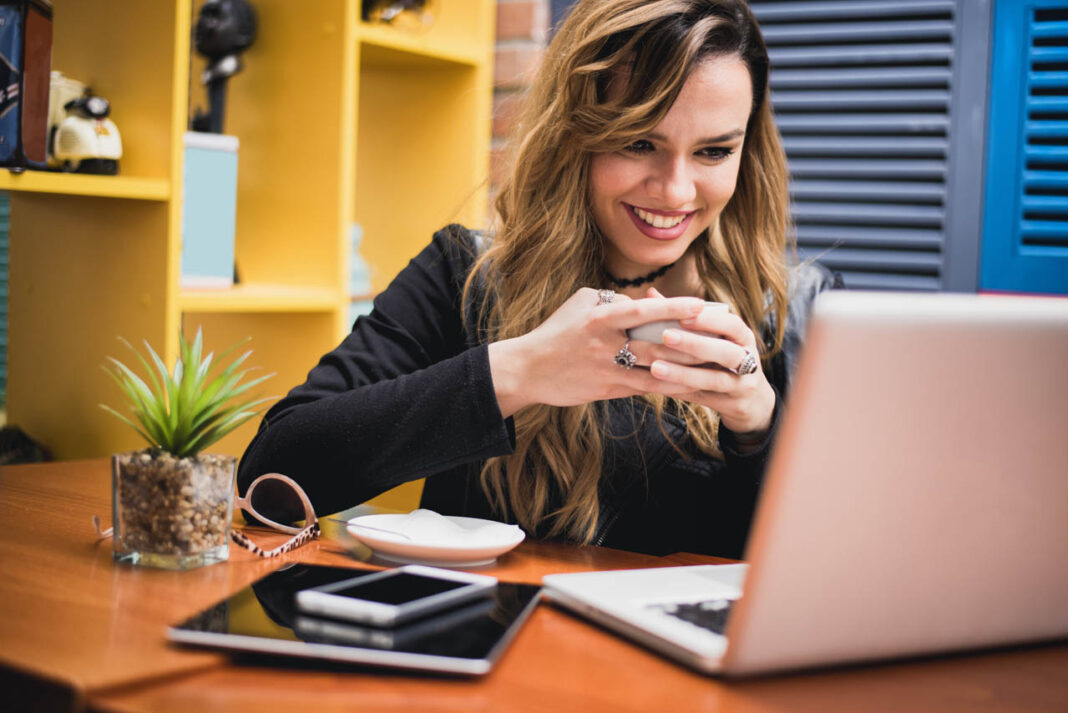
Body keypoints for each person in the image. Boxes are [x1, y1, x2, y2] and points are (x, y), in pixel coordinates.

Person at [237, 0, 838, 559]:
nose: (676, 191)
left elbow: (841, 563)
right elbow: (270, 478)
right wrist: (516, 372)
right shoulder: (468, 275)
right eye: (638, 141)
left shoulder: (798, 310)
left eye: (713, 152)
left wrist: (759, 426)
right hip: (488, 656)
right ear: (575, 133)